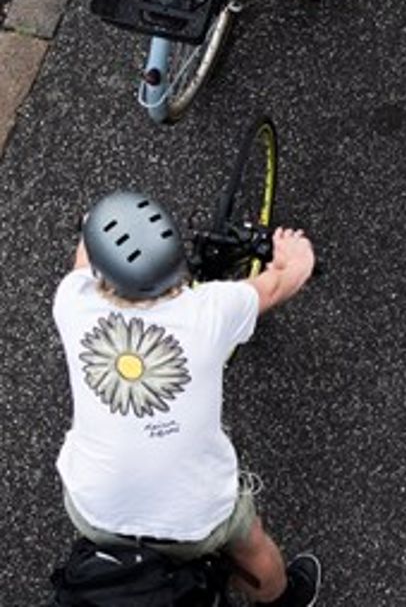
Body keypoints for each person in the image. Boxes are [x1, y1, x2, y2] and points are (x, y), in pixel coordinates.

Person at [55, 191, 321, 605]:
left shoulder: (72, 304)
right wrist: (295, 253)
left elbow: (83, 262)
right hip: (194, 514)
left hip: (94, 507)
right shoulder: (211, 311)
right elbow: (280, 282)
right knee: (250, 545)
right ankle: (284, 598)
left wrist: (95, 222)